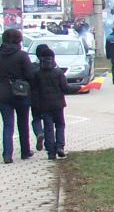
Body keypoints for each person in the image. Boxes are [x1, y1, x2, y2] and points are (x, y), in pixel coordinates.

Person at [0, 27, 36, 163]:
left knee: (7, 124)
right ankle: (25, 151)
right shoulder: (22, 55)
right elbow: (30, 74)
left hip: (2, 94)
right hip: (20, 92)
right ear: (19, 40)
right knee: (23, 122)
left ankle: (7, 154)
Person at [30, 44, 69, 160]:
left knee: (48, 128)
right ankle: (60, 147)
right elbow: (65, 88)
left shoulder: (37, 74)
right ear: (53, 58)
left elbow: (34, 89)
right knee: (60, 125)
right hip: (58, 104)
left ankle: (51, 152)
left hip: (44, 105)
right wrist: (80, 88)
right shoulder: (58, 72)